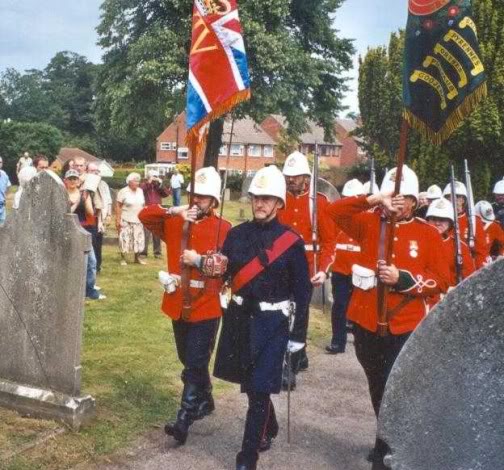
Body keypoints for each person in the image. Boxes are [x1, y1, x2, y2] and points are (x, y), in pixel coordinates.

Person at [183, 165, 311, 470]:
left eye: (267, 199)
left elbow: (303, 293)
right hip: (240, 318)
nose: (260, 204)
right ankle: (271, 425)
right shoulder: (237, 235)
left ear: (279, 203)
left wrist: (298, 339)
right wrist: (208, 262)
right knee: (253, 385)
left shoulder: (291, 242)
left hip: (273, 324)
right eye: (256, 198)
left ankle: (247, 457)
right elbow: (225, 271)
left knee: (257, 389)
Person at [326, 165, 449, 467]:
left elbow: (441, 281)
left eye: (403, 197)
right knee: (377, 384)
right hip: (367, 321)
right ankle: (384, 439)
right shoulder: (368, 224)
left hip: (405, 325)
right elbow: (334, 213)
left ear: (414, 202)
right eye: (392, 196)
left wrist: (403, 279)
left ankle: (391, 447)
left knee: (398, 388)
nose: (397, 202)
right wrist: (373, 199)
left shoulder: (428, 233)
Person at [139, 167, 231, 446]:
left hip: (206, 304)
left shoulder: (223, 228)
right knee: (188, 359)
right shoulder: (176, 222)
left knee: (194, 361)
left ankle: (184, 418)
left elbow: (227, 266)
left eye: (203, 197)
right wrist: (174, 210)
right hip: (178, 302)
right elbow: (145, 215)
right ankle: (207, 399)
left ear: (214, 201)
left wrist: (200, 260)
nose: (196, 200)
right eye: (194, 195)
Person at [277, 151, 335, 389]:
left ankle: (291, 365)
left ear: (306, 178)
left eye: (296, 176)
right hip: (280, 267)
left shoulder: (319, 202)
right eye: (288, 176)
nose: (291, 180)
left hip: (306, 268)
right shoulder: (279, 198)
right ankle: (295, 356)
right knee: (281, 314)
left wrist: (323, 269)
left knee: (298, 317)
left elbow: (330, 241)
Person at [326, 178, 364, 354]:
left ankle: (360, 343)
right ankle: (337, 341)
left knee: (358, 309)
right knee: (339, 306)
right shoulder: (336, 220)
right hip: (340, 269)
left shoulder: (366, 221)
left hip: (360, 272)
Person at [425, 198, 475, 308]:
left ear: (450, 222)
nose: (437, 223)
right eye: (433, 219)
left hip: (449, 299)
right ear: (427, 220)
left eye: (442, 219)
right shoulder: (419, 242)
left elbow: (469, 276)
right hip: (424, 298)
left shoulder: (460, 246)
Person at [65, 169, 105, 300]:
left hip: (84, 230)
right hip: (69, 231)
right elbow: (66, 213)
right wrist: (76, 202)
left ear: (78, 181)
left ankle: (89, 289)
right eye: (70, 179)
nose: (72, 181)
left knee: (91, 261)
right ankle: (70, 288)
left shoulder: (83, 194)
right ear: (65, 180)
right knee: (70, 261)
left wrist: (87, 198)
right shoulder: (62, 194)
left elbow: (90, 212)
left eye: (74, 179)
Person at [442, 181, 489, 268]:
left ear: (463, 200)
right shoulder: (440, 220)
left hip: (467, 267)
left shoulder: (473, 221)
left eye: (457, 197)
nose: (452, 200)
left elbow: (481, 251)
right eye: (448, 197)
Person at [116, 173, 146, 265]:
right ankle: (123, 258)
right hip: (126, 219)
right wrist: (117, 220)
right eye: (135, 181)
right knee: (124, 238)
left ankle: (137, 258)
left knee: (138, 239)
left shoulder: (140, 191)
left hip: (138, 219)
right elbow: (118, 206)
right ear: (129, 182)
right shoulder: (123, 191)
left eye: (138, 181)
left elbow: (143, 204)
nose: (137, 183)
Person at [87, 163, 112, 273]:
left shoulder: (103, 184)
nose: (96, 173)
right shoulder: (86, 184)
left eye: (97, 170)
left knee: (98, 243)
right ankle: (90, 267)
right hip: (88, 218)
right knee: (90, 243)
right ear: (87, 171)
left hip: (99, 218)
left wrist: (109, 215)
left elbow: (108, 200)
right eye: (92, 170)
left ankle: (98, 267)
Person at [140, 170, 170, 258]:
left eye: (156, 176)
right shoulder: (144, 185)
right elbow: (141, 191)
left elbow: (166, 194)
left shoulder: (158, 186)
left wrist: (160, 184)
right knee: (145, 232)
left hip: (157, 210)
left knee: (157, 232)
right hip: (147, 209)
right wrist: (149, 183)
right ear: (149, 177)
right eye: (154, 176)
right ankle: (143, 252)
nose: (155, 178)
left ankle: (157, 253)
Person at [0, 156, 12, 225]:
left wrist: (3, 196)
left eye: (0, 162)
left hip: (2, 207)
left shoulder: (4, 174)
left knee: (2, 230)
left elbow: (8, 187)